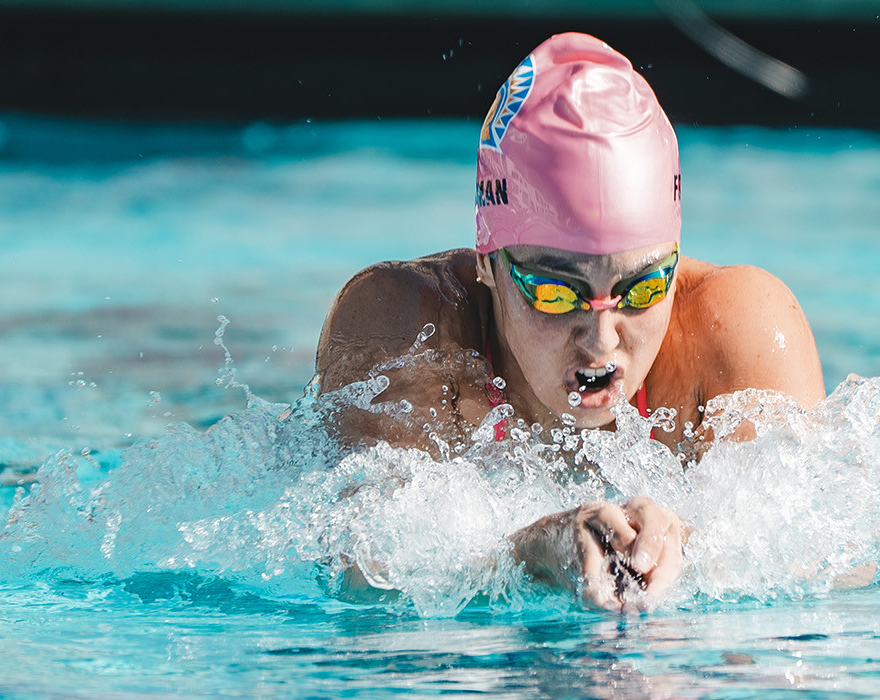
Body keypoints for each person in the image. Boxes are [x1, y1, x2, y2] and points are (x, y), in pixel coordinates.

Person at [314, 32, 823, 612]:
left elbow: (831, 559)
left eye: (643, 287)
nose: (602, 341)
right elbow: (359, 576)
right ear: (488, 259)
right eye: (557, 293)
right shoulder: (407, 330)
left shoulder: (741, 328)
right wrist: (530, 551)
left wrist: (691, 545)